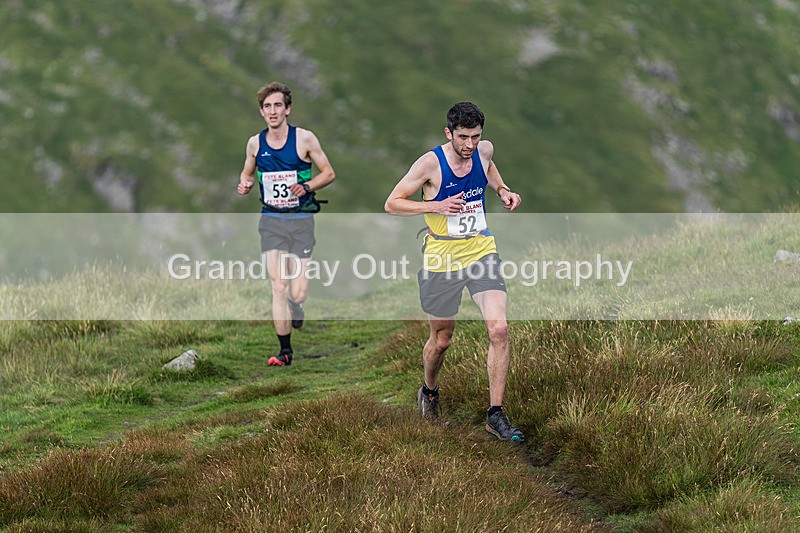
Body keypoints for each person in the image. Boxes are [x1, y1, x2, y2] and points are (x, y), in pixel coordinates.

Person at [384, 101, 524, 441]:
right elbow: (392, 203)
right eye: (463, 137)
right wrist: (436, 206)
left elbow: (489, 166)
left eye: (475, 137)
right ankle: (429, 391)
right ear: (449, 133)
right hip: (441, 257)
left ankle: (495, 415)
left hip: (480, 250)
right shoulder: (430, 164)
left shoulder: (483, 150)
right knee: (442, 340)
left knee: (499, 329)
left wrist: (503, 190)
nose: (469, 145)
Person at [238, 81, 335, 366]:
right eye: (267, 106)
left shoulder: (304, 139)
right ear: (261, 112)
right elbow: (246, 172)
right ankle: (285, 351)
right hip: (271, 221)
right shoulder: (255, 143)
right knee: (278, 286)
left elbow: (328, 173)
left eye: (277, 105)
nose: (272, 111)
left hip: (302, 221)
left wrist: (306, 186)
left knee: (297, 291)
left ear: (287, 109)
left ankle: (297, 305)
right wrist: (244, 184)